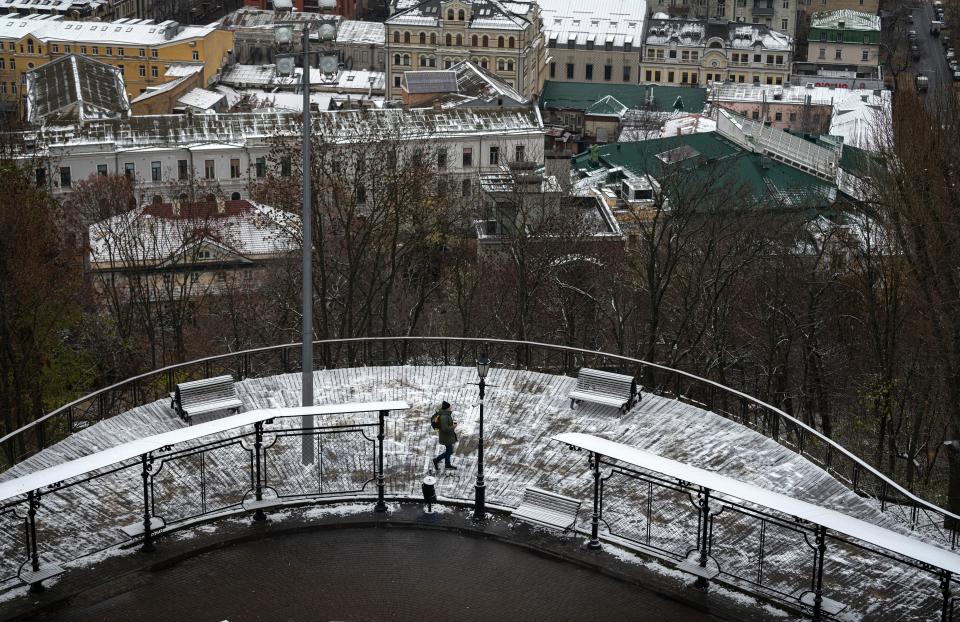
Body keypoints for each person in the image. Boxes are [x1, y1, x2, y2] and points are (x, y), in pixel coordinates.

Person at [432, 401, 458, 470]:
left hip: (447, 436)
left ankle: (447, 464)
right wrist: (453, 426)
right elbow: (444, 429)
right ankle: (436, 460)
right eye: (450, 407)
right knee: (450, 451)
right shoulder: (444, 417)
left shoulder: (446, 415)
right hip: (446, 437)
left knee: (448, 450)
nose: (451, 407)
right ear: (447, 408)